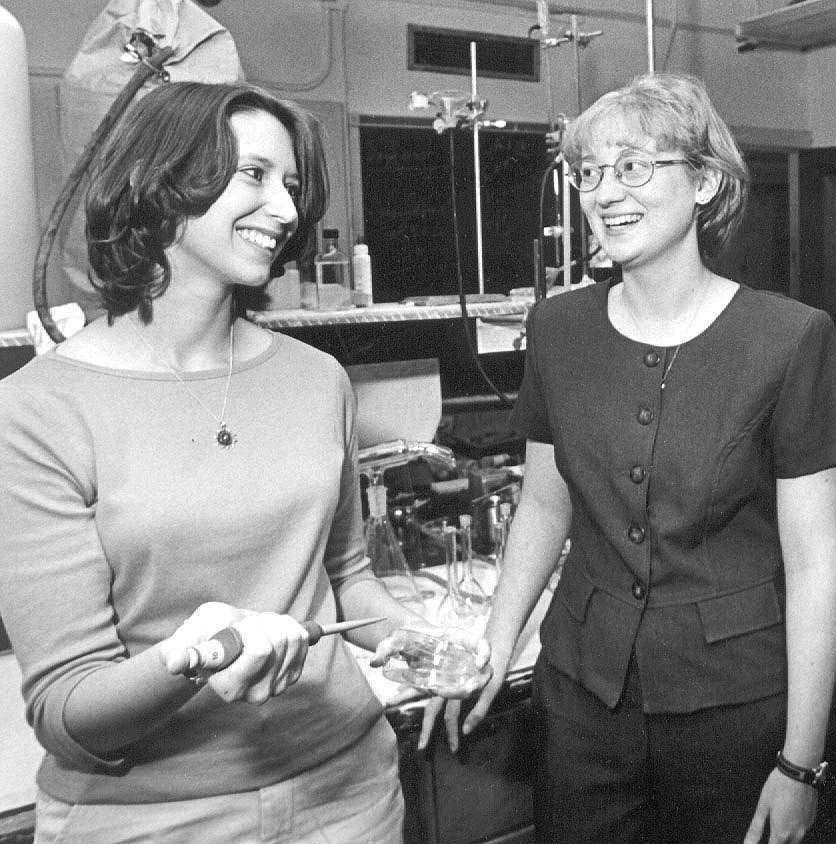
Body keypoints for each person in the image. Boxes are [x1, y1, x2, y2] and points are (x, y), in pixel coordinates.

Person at [0, 81, 483, 844]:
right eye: (253, 175)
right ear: (158, 183)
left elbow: (346, 573)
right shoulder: (37, 411)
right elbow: (67, 711)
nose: (288, 210)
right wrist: (198, 654)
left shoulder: (316, 378)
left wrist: (415, 638)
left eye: (290, 184)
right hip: (157, 820)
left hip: (348, 793)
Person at [420, 72, 836, 844]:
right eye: (589, 172)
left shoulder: (790, 339)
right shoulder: (557, 329)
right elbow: (544, 503)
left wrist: (801, 764)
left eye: (633, 167)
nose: (603, 192)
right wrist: (489, 649)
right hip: (582, 699)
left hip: (733, 707)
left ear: (704, 181)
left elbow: (812, 564)